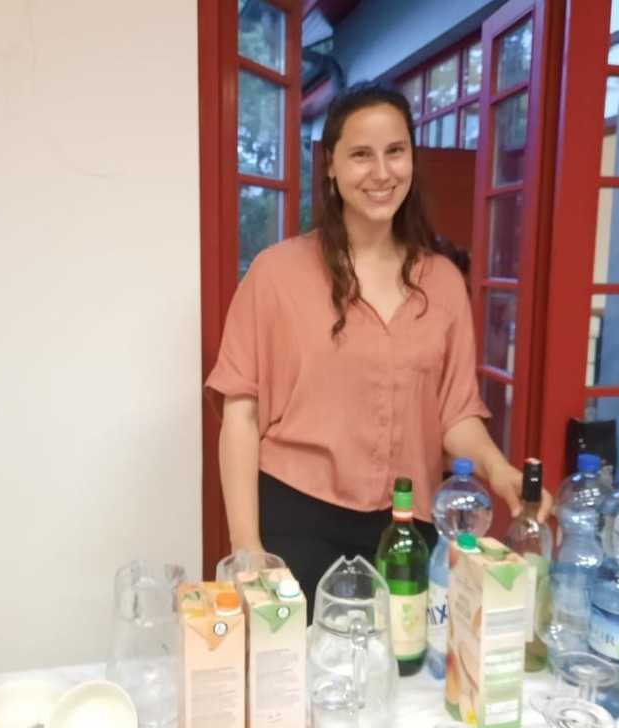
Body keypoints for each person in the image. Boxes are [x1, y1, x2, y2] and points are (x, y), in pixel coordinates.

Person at [206, 82, 552, 617]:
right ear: (330, 165)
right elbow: (240, 413)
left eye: (395, 151)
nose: (382, 172)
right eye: (361, 155)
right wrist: (247, 547)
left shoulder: (443, 283)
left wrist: (497, 468)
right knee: (296, 664)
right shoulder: (276, 274)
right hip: (297, 519)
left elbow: (454, 413)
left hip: (408, 527)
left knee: (406, 662)